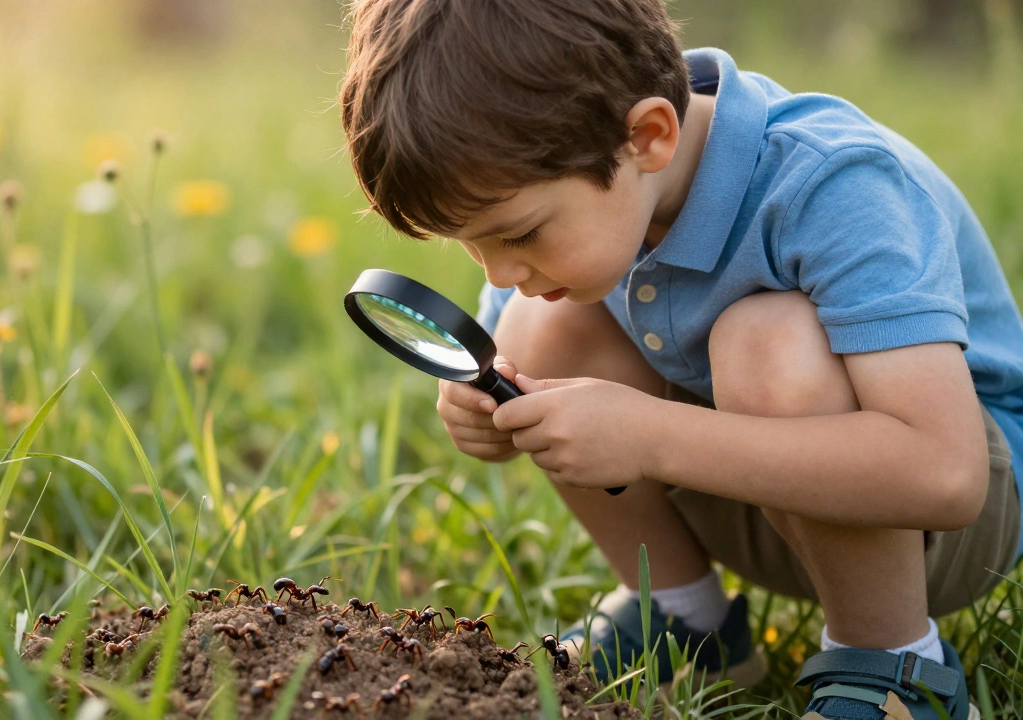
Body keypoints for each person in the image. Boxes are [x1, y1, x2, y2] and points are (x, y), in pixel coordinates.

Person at [338, 1, 1023, 718]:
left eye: (523, 233)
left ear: (648, 136)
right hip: (771, 495)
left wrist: (647, 435)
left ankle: (896, 664)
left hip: (941, 521)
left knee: (766, 339)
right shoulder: (601, 186)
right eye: (470, 245)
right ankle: (685, 620)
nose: (498, 274)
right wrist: (489, 410)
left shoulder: (835, 183)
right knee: (538, 332)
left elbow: (946, 477)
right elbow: (524, 360)